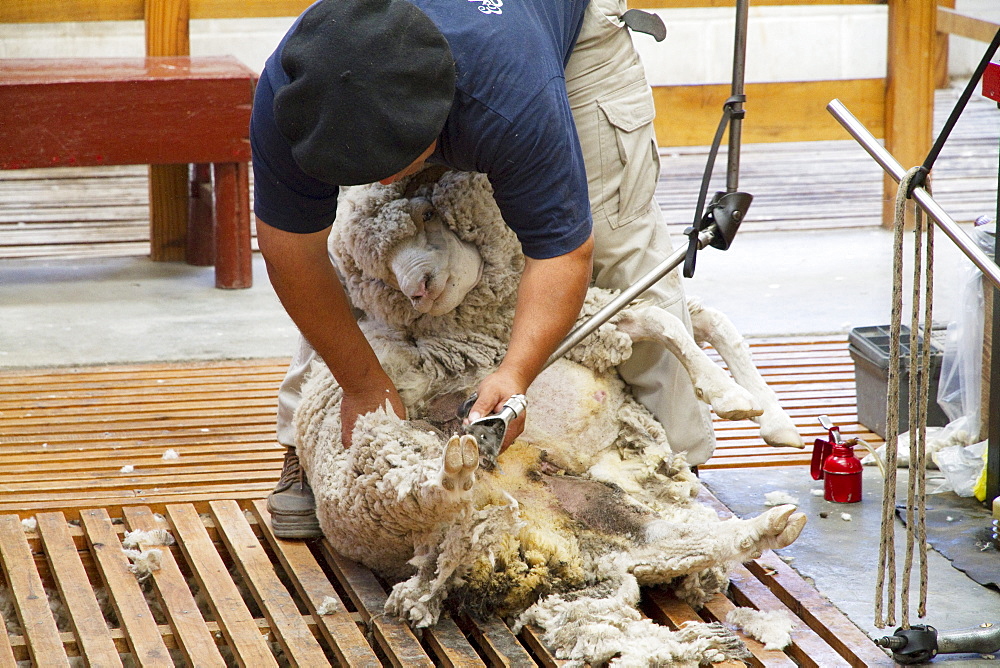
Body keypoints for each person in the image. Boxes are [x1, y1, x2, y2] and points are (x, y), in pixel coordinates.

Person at [251, 0, 716, 539]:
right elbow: (293, 251)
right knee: (363, 238)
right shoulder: (294, 91)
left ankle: (678, 469)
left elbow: (563, 251)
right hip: (400, 70)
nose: (381, 182)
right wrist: (360, 384)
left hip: (560, 38)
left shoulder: (510, 100)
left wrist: (516, 375)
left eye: (390, 167)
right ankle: (308, 448)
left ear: (442, 119)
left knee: (620, 238)